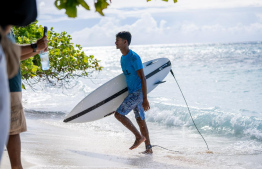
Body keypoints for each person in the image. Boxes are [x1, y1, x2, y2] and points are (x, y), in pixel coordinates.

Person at [114, 31, 153, 154]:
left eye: (118, 40)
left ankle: (138, 137)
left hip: (137, 92)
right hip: (132, 92)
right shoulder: (122, 58)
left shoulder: (134, 57)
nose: (115, 42)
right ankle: (149, 149)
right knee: (140, 120)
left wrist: (145, 99)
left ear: (125, 42)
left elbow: (142, 77)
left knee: (118, 115)